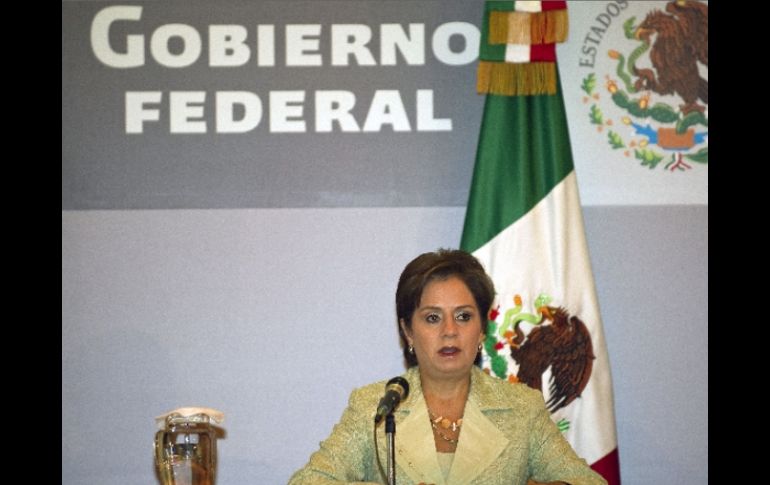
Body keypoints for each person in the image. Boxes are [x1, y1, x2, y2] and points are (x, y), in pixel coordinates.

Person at [288, 249, 607, 485]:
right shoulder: (375, 406)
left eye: (464, 316)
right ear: (408, 331)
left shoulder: (522, 408)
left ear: (482, 329)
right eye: (432, 318)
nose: (450, 331)